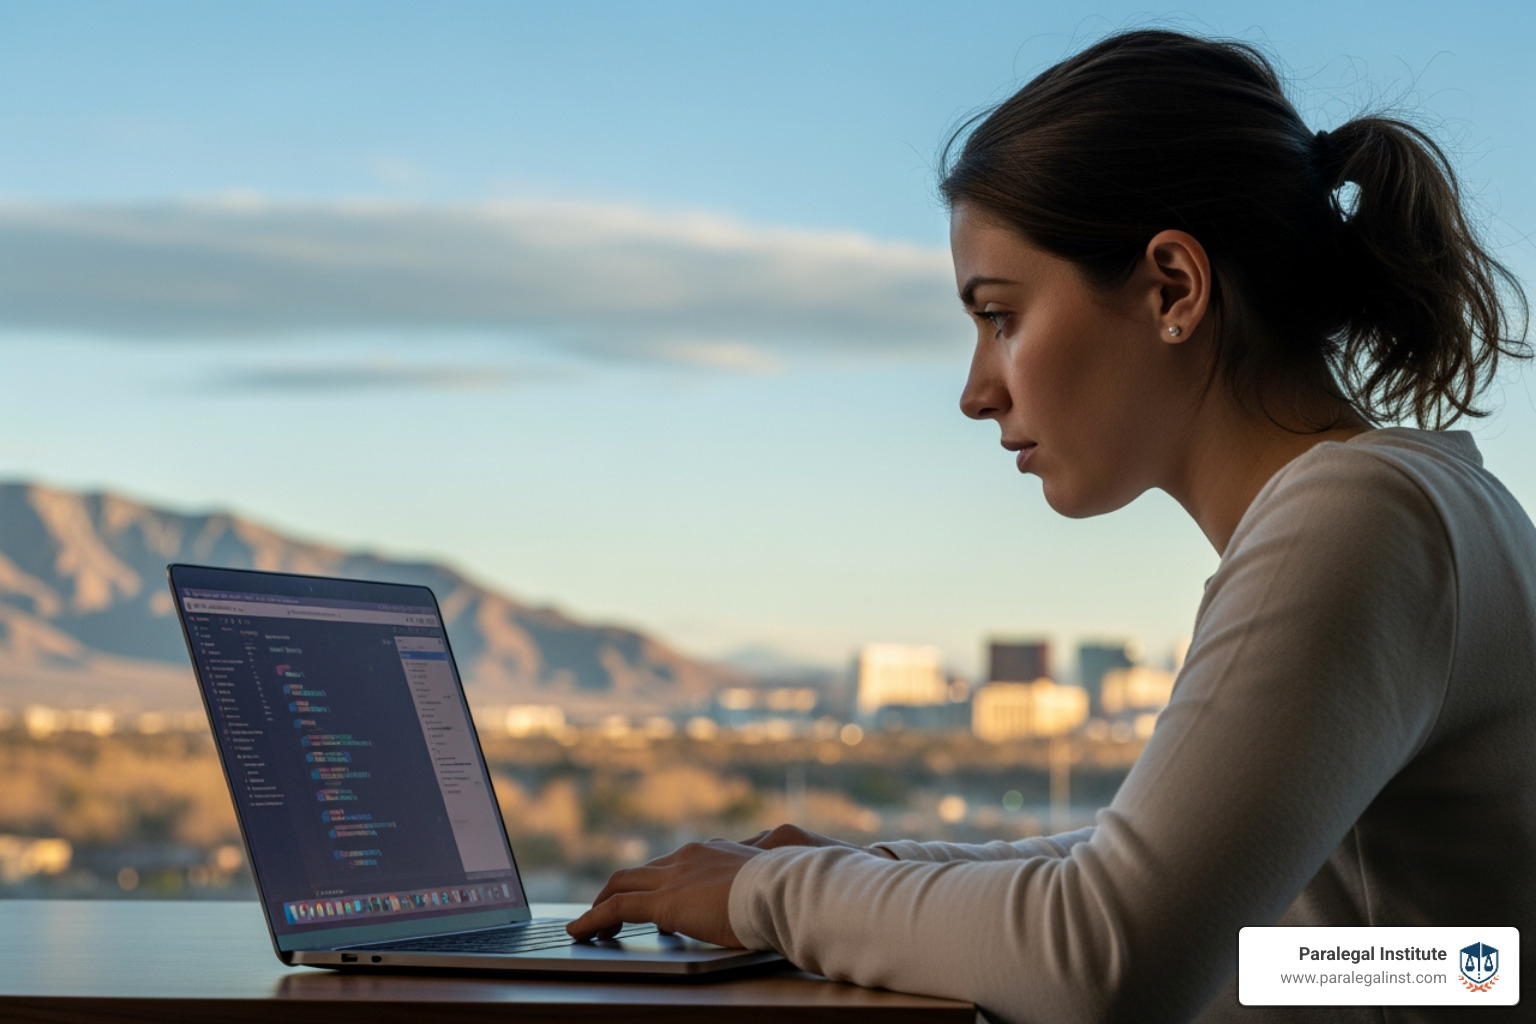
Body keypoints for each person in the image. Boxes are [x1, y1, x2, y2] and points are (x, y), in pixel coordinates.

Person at [568, 29, 1534, 1023]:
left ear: (1172, 288)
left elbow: (1102, 951)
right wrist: (867, 868)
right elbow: (1189, 890)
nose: (976, 391)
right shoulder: (1425, 504)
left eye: (1000, 317)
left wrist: (763, 895)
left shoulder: (1361, 518)